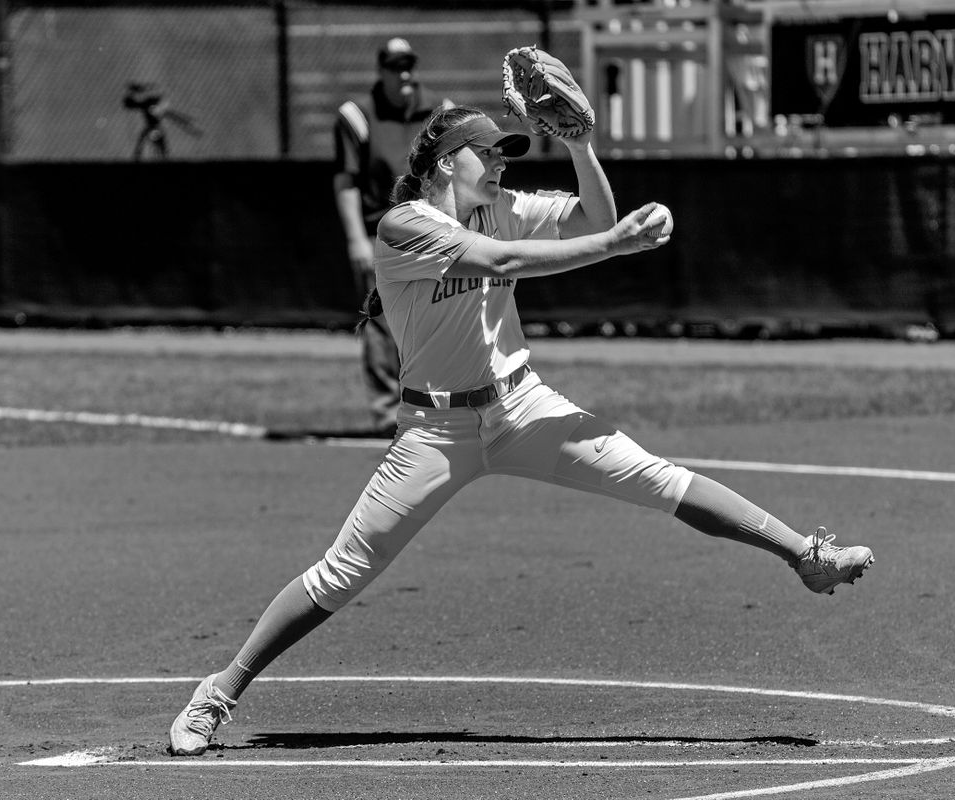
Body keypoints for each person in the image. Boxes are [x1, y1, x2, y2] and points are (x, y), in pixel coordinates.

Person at [167, 104, 875, 756]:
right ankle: (219, 691)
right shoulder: (403, 226)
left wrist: (581, 145)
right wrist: (615, 246)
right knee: (346, 569)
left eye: (507, 153)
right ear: (448, 162)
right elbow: (509, 260)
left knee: (657, 476)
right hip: (435, 430)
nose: (503, 163)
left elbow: (595, 213)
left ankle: (805, 555)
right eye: (490, 153)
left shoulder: (500, 205)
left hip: (522, 406)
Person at [334, 37, 451, 437]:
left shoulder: (440, 112)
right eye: (394, 66)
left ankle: (436, 406)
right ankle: (388, 415)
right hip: (381, 236)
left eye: (408, 65)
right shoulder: (357, 115)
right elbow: (347, 182)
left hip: (433, 234)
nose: (403, 74)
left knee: (437, 319)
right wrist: (355, 239)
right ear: (380, 70)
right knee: (382, 325)